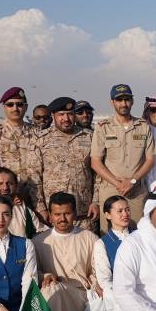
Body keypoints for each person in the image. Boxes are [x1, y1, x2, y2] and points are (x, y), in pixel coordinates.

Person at [32, 192, 100, 311]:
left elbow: (98, 271)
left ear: (75, 214)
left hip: (81, 294)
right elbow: (33, 273)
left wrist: (97, 284)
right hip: (54, 292)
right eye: (57, 214)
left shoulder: (89, 238)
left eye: (67, 213)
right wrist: (45, 276)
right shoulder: (39, 241)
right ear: (50, 215)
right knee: (51, 288)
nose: (62, 219)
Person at [91, 84, 156, 232]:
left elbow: (150, 160)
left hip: (136, 191)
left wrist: (132, 181)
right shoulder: (103, 127)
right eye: (119, 100)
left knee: (138, 233)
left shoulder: (143, 126)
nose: (123, 104)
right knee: (110, 233)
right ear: (112, 102)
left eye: (127, 99)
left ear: (132, 101)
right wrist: (118, 183)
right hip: (111, 189)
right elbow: (95, 162)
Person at [34, 97, 99, 231]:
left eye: (70, 114)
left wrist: (96, 202)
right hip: (54, 215)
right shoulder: (41, 140)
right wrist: (41, 208)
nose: (66, 118)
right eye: (61, 115)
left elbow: (98, 174)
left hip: (83, 213)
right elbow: (34, 177)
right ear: (53, 116)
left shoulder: (89, 137)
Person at [0, 87, 39, 207]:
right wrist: (9, 192)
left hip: (34, 193)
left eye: (19, 104)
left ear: (26, 107)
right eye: (10, 105)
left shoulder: (37, 132)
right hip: (7, 194)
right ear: (4, 107)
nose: (15, 108)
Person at [92, 195, 134, 296]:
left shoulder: (139, 236)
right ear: (108, 215)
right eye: (120, 211)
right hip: (119, 295)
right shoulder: (102, 244)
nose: (125, 214)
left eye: (127, 210)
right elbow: (105, 280)